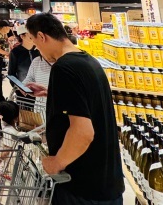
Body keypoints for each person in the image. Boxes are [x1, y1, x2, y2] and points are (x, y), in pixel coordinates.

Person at [24, 13, 124, 205]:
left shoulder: (63, 68)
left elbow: (83, 132)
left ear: (42, 36)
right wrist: (52, 93)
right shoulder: (88, 61)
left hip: (81, 186)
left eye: (36, 44)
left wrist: (57, 162)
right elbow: (89, 103)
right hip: (105, 182)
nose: (38, 50)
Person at [0, 101, 20, 175]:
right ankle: (3, 171)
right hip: (9, 156)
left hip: (4, 145)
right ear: (16, 118)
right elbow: (6, 152)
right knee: (5, 161)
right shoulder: (10, 131)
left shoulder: (2, 120)